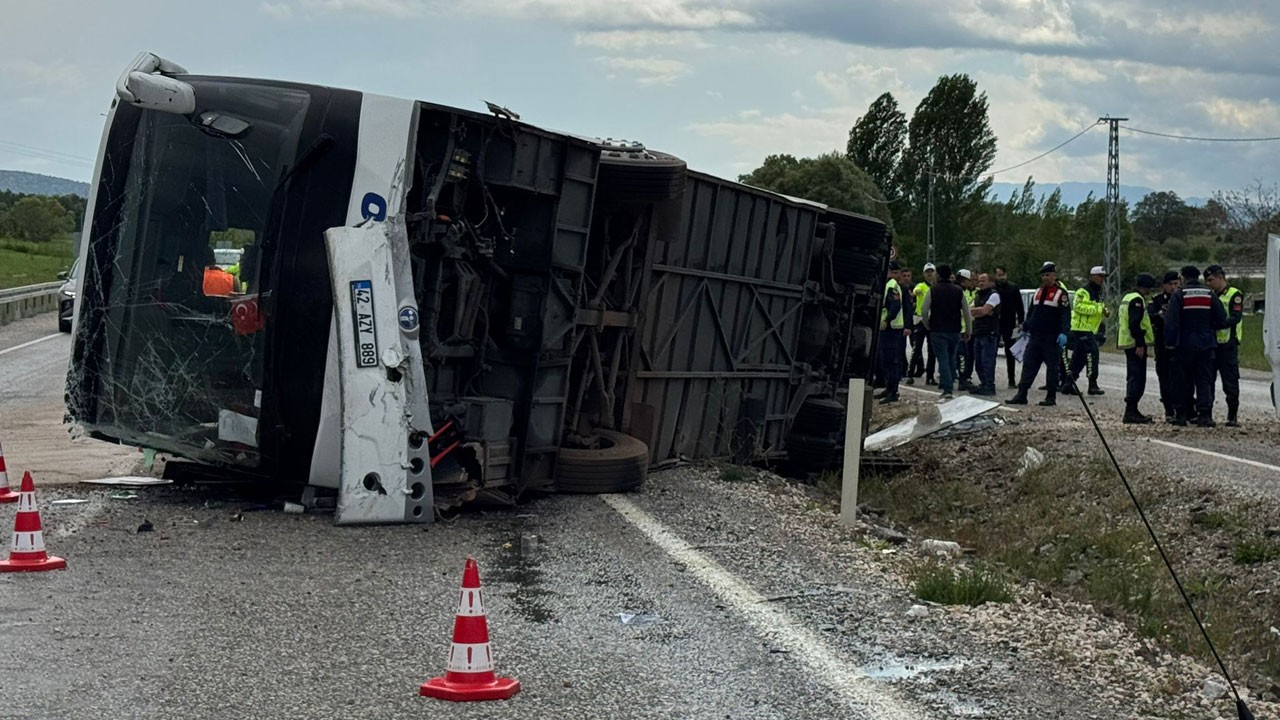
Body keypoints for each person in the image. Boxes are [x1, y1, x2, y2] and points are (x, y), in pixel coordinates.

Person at [1164, 265, 1227, 426]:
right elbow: (1221, 318)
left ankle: (1181, 414)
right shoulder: (1209, 294)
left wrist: (1171, 343)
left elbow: (1171, 322)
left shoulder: (1179, 295)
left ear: (1183, 278)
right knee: (1204, 379)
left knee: (1182, 380)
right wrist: (1209, 328)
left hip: (1184, 345)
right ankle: (1204, 415)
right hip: (1206, 344)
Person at [1009, 262, 1071, 407]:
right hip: (1035, 336)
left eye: (1048, 275)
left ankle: (1051, 396)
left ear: (1054, 276)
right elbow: (1032, 313)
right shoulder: (1038, 292)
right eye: (1043, 275)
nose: (1045, 278)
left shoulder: (1060, 294)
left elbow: (1064, 316)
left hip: (1051, 337)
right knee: (1029, 366)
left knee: (1052, 368)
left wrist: (1064, 333)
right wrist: (1025, 326)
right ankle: (1021, 394)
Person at [921, 265, 972, 401]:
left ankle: (947, 388)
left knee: (942, 358)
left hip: (937, 329)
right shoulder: (958, 291)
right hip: (954, 329)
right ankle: (948, 381)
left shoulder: (933, 290)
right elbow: (966, 312)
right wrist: (968, 329)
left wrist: (928, 325)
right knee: (951, 357)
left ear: (938, 275)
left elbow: (924, 311)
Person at [1205, 264, 1245, 427]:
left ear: (1220, 277)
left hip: (1228, 344)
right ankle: (1207, 414)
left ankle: (1232, 415)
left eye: (1210, 280)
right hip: (1212, 344)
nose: (1208, 283)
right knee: (1208, 380)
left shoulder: (1234, 294)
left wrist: (1218, 324)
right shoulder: (1210, 295)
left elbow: (1235, 317)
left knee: (1230, 381)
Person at [1063, 266, 1109, 396]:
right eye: (1100, 276)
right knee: (1092, 355)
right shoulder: (1083, 291)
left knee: (1079, 357)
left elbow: (1098, 306)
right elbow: (1078, 307)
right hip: (1081, 328)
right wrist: (1098, 309)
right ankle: (1092, 384)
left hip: (1090, 329)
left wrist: (1104, 310)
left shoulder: (1098, 292)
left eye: (1103, 277)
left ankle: (1068, 383)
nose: (1102, 279)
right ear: (1092, 276)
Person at [1119, 274, 1158, 424]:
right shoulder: (1137, 300)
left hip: (1128, 343)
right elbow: (1135, 323)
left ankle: (1132, 410)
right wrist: (1140, 343)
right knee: (1137, 377)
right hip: (1134, 344)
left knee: (1133, 376)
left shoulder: (1127, 297)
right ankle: (1131, 411)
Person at [1148, 270, 1180, 421]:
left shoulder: (1182, 298)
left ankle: (1183, 408)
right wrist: (1159, 315)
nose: (1174, 287)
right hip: (1162, 343)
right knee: (1164, 376)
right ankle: (1169, 409)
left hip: (1180, 344)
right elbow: (1149, 317)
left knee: (1180, 377)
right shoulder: (1157, 300)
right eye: (1171, 284)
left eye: (1176, 283)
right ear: (1164, 285)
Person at [875, 261, 908, 404]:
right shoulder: (890, 285)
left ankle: (893, 391)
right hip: (890, 328)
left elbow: (895, 306)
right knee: (886, 360)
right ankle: (889, 388)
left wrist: (886, 320)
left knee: (891, 361)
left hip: (891, 328)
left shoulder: (891, 285)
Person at [969, 272, 1002, 395]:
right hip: (978, 331)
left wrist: (981, 311)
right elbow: (969, 309)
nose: (980, 283)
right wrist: (981, 311)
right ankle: (983, 384)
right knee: (978, 362)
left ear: (991, 282)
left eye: (983, 280)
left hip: (989, 332)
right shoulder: (978, 295)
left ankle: (989, 385)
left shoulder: (994, 295)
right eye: (979, 281)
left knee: (987, 361)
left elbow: (984, 310)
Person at [994, 266, 1025, 389]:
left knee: (1010, 352)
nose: (1002, 277)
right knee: (991, 352)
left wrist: (1021, 321)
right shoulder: (993, 289)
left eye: (1003, 275)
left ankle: (1011, 380)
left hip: (1010, 323)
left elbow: (1020, 306)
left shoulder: (1013, 288)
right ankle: (989, 379)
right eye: (999, 275)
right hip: (995, 323)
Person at [907, 263, 937, 386]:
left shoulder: (936, 288)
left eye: (932, 272)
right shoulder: (921, 286)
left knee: (932, 351)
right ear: (924, 274)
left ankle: (930, 376)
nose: (930, 274)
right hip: (920, 320)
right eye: (927, 272)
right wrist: (916, 292)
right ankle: (910, 374)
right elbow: (915, 291)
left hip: (933, 320)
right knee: (916, 348)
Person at [957, 269, 977, 391]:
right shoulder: (959, 292)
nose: (973, 282)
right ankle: (963, 379)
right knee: (963, 356)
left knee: (968, 356)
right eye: (971, 280)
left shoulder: (973, 292)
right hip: (962, 329)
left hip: (969, 328)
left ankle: (965, 378)